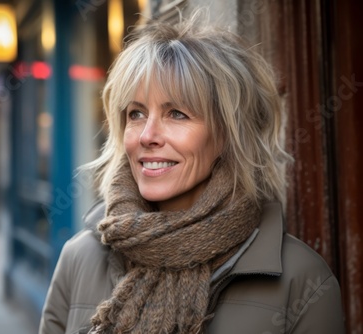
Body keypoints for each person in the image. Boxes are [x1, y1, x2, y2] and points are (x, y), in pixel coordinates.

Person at [39, 13, 345, 334]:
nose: (148, 135)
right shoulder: (79, 259)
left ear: (228, 134)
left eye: (177, 114)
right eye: (136, 113)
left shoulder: (302, 281)